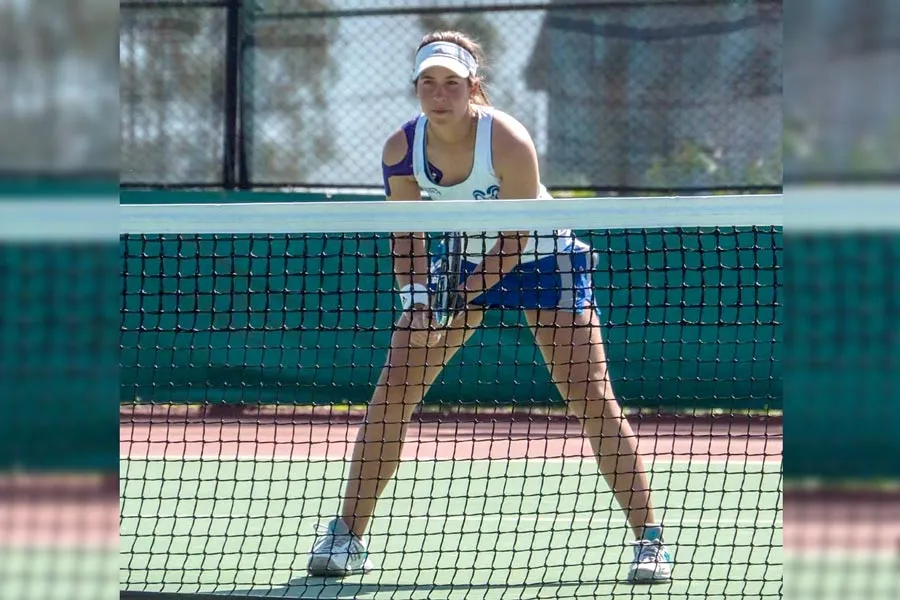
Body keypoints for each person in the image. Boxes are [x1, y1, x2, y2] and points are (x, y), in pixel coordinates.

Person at [307, 30, 673, 584]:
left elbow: (518, 234)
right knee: (395, 386)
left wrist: (466, 292)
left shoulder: (507, 139)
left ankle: (649, 540)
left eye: (451, 82)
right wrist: (417, 300)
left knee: (589, 393)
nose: (439, 93)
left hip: (541, 257)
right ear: (416, 88)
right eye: (428, 82)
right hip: (461, 259)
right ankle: (347, 535)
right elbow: (407, 237)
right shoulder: (401, 148)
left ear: (472, 86)